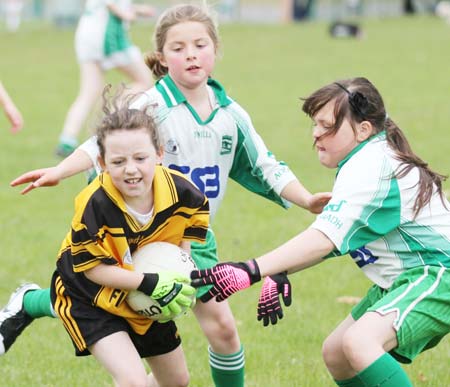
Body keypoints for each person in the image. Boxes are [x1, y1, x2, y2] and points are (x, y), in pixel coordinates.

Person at [5, 4, 330, 387]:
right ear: (161, 57)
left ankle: (31, 302)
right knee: (103, 302)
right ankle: (33, 304)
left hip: (191, 236)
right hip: (134, 234)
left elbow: (266, 164)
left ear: (215, 50)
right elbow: (101, 144)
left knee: (222, 329)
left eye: (199, 44)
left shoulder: (232, 114)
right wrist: (59, 172)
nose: (191, 54)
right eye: (178, 47)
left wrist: (306, 198)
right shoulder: (150, 105)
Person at [190, 77, 450, 387]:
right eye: (315, 124)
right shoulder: (366, 158)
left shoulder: (371, 166)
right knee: (337, 354)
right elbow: (334, 241)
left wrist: (251, 270)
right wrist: (279, 271)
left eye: (327, 125)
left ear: (363, 130)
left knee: (359, 343)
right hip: (407, 276)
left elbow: (324, 239)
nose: (315, 134)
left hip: (437, 273)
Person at [56, 84, 208, 386]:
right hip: (88, 294)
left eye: (140, 158)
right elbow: (94, 270)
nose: (131, 170)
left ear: (159, 154)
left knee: (176, 381)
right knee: (133, 380)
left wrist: (178, 280)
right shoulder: (94, 204)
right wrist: (149, 282)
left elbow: (181, 249)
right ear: (101, 164)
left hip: (143, 291)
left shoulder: (186, 195)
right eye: (118, 162)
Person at [54, 0, 154, 158]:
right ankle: (108, 121)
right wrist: (127, 15)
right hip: (106, 36)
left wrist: (137, 9)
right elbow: (111, 4)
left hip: (86, 36)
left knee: (89, 91)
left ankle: (67, 139)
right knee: (144, 81)